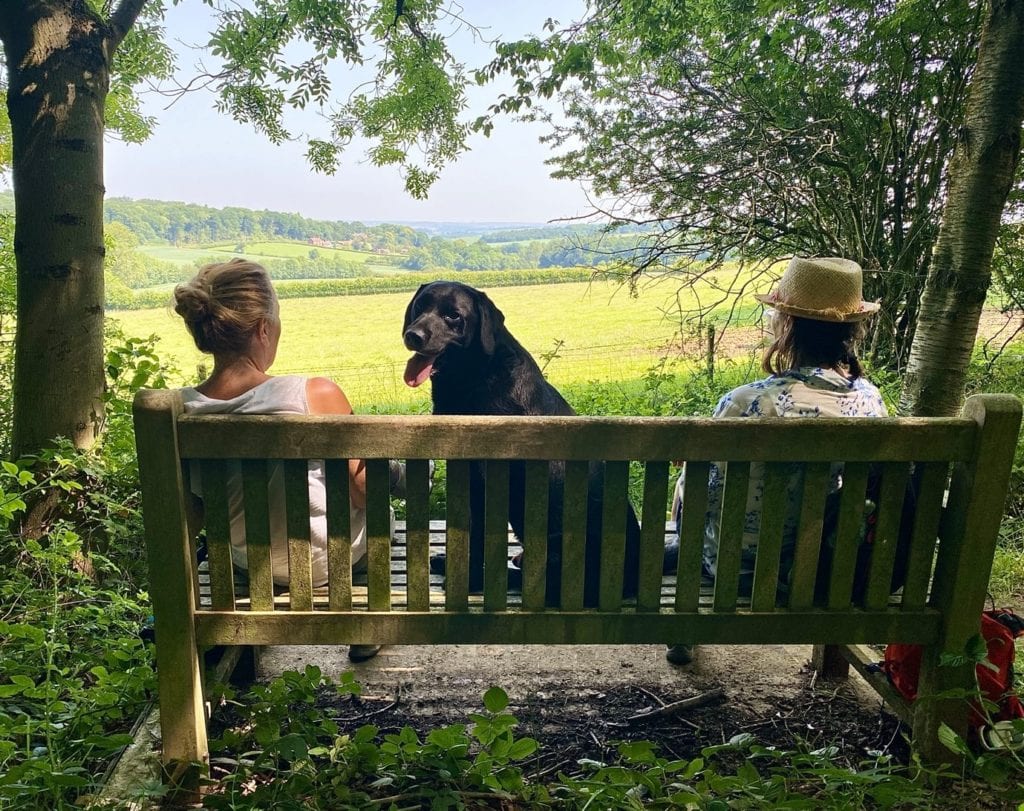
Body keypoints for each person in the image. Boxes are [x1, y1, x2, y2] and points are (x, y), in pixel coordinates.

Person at [173, 258, 398, 663]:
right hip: (330, 563)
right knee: (383, 521)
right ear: (263, 328)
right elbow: (365, 492)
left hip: (247, 566)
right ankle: (363, 626)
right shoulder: (315, 395)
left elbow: (195, 510)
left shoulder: (183, 409)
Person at [664, 256, 887, 665]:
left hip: (739, 569)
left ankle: (684, 628)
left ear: (786, 326)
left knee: (691, 484)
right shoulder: (870, 402)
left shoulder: (748, 403)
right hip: (825, 565)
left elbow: (702, 500)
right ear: (852, 332)